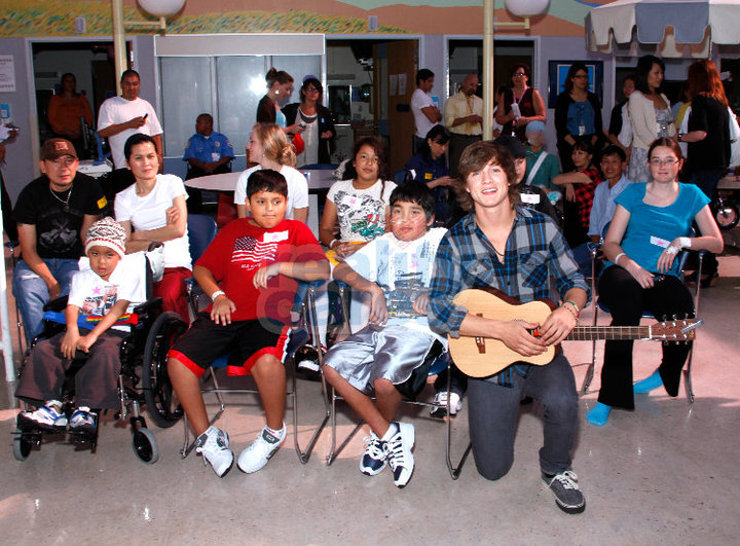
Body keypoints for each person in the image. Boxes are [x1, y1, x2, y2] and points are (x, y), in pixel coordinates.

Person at [428, 140, 589, 515]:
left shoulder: (542, 227)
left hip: (539, 349)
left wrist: (568, 308)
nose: (486, 180)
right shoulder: (456, 240)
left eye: (494, 170)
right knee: (492, 470)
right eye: (475, 173)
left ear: (511, 176)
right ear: (465, 186)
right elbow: (437, 309)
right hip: (488, 359)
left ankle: (557, 468)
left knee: (564, 401)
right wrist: (501, 330)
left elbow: (576, 281)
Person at [166, 169, 330, 477]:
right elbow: (201, 270)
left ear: (287, 202)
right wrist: (217, 296)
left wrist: (280, 265)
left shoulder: (295, 230)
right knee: (177, 361)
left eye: (277, 201)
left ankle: (273, 432)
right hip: (224, 312)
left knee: (267, 363)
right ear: (248, 204)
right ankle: (207, 437)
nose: (270, 208)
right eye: (261, 201)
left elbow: (322, 270)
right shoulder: (233, 230)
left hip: (269, 316)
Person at [587, 138, 723, 427]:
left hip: (662, 276)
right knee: (626, 308)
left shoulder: (692, 194)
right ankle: (608, 396)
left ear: (679, 164)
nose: (662, 166)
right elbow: (610, 243)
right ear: (648, 165)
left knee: (684, 316)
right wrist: (632, 267)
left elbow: (717, 243)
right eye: (656, 160)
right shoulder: (634, 193)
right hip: (623, 270)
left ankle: (665, 372)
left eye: (668, 160)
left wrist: (681, 242)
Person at [322, 183, 447, 488]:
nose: (404, 218)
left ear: (430, 219)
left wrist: (437, 291)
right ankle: (388, 433)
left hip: (422, 331)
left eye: (415, 212)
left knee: (384, 378)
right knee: (331, 364)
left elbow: (466, 274)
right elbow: (341, 271)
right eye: (398, 211)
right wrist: (372, 288)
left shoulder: (441, 239)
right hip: (380, 328)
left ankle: (382, 435)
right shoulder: (383, 243)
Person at [15, 217, 144, 434]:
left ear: (119, 255)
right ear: (87, 254)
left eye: (108, 254)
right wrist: (72, 331)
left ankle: (85, 409)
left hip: (114, 330)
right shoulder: (81, 277)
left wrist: (92, 336)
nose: (101, 262)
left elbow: (118, 309)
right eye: (95, 254)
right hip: (82, 327)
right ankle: (52, 406)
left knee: (103, 352)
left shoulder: (128, 276)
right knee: (45, 348)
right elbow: (73, 305)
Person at [12, 138, 107, 344]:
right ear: (43, 166)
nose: (63, 167)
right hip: (36, 263)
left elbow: (87, 237)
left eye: (68, 160)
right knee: (27, 289)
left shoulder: (90, 188)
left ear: (77, 163)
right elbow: (27, 250)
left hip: (72, 261)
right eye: (55, 162)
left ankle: (64, 349)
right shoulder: (30, 194)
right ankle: (40, 349)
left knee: (73, 294)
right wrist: (50, 282)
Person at [319, 136, 397, 334]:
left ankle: (356, 338)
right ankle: (318, 343)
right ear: (353, 162)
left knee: (360, 280)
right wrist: (336, 245)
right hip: (343, 250)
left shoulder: (388, 189)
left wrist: (362, 247)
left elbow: (390, 233)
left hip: (376, 250)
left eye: (376, 159)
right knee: (316, 276)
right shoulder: (338, 189)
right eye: (364, 157)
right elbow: (326, 230)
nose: (369, 163)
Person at [114, 134, 192, 323]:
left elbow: (178, 230)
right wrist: (160, 234)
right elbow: (124, 246)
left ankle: (177, 349)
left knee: (165, 301)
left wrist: (139, 235)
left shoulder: (171, 183)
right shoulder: (123, 198)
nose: (146, 163)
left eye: (151, 156)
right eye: (138, 158)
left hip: (173, 263)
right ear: (128, 163)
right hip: (140, 266)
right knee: (125, 304)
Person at [679, 59, 731, 287]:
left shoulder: (700, 101)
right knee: (705, 217)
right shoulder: (720, 103)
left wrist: (677, 138)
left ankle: (707, 268)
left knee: (701, 220)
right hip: (717, 164)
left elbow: (700, 134)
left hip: (702, 166)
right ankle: (707, 267)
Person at [234, 123, 309, 224]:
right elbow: (242, 224)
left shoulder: (296, 179)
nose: (248, 146)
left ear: (266, 146)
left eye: (252, 142)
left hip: (288, 237)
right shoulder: (245, 178)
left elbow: (299, 227)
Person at [97, 69, 163, 170]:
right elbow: (102, 132)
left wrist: (159, 157)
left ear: (139, 85)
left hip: (147, 166)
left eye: (134, 84)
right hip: (124, 166)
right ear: (121, 84)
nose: (131, 87)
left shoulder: (145, 105)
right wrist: (129, 124)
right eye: (127, 84)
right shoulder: (109, 105)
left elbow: (156, 134)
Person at [627, 55, 675, 184]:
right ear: (645, 73)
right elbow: (641, 130)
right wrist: (659, 150)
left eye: (661, 73)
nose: (660, 77)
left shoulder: (663, 97)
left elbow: (671, 126)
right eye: (656, 73)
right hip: (645, 154)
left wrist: (673, 148)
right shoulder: (637, 97)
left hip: (666, 154)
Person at [553, 140, 603, 249]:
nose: (576, 157)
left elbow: (556, 179)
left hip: (591, 224)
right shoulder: (577, 172)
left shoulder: (591, 173)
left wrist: (566, 181)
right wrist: (568, 183)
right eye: (574, 153)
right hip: (582, 222)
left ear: (590, 156)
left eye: (581, 153)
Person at [554, 63, 603, 173]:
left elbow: (598, 125)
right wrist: (577, 147)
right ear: (572, 78)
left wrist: (589, 147)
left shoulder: (593, 98)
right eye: (579, 77)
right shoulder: (563, 98)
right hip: (570, 144)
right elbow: (560, 126)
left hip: (590, 143)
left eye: (585, 77)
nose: (583, 80)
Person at [403, 125, 456, 225]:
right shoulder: (417, 161)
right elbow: (411, 190)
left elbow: (446, 179)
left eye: (446, 145)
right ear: (429, 141)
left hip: (435, 203)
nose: (443, 149)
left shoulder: (441, 160)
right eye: (440, 145)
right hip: (418, 204)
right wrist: (437, 182)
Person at [182, 113, 235, 214]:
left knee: (229, 183)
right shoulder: (193, 140)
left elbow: (228, 155)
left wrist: (216, 164)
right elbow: (190, 157)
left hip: (218, 167)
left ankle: (227, 213)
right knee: (190, 183)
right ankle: (196, 214)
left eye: (199, 122)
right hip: (199, 167)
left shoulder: (221, 138)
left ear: (208, 124)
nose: (196, 125)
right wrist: (203, 166)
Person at [282, 77, 336, 166]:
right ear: (304, 91)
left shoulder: (324, 112)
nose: (313, 92)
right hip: (295, 157)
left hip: (317, 157)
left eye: (316, 90)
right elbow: (275, 124)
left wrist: (329, 134)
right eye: (310, 89)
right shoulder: (291, 110)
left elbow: (332, 131)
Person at [588, 145, 632, 244]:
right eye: (606, 162)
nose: (609, 166)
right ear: (600, 165)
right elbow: (594, 221)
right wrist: (597, 246)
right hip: (599, 243)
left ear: (624, 165)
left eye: (614, 162)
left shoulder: (630, 189)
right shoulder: (600, 188)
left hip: (620, 245)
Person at [496, 64, 546, 144]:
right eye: (514, 75)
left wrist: (526, 120)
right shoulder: (506, 93)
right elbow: (498, 119)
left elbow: (543, 117)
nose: (517, 77)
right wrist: (508, 117)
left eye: (520, 74)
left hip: (528, 137)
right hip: (508, 136)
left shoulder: (533, 92)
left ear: (526, 77)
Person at [444, 73, 483, 176]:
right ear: (464, 83)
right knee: (457, 171)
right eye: (471, 84)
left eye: (475, 85)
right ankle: (455, 192)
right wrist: (466, 119)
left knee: (475, 169)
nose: (473, 88)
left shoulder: (480, 102)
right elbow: (448, 122)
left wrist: (479, 119)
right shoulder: (452, 101)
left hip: (475, 139)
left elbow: (487, 122)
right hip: (458, 140)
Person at [47, 73, 93, 157]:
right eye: (67, 81)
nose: (70, 83)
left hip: (80, 137)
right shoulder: (55, 99)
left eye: (72, 81)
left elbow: (89, 117)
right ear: (62, 84)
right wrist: (65, 131)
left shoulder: (81, 99)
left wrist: (82, 131)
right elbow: (52, 119)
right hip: (62, 137)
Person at [256, 68, 303, 136]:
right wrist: (289, 129)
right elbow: (267, 133)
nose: (288, 93)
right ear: (277, 85)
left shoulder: (272, 102)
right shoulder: (265, 104)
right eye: (287, 89)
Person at [523, 121, 561, 191]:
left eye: (539, 133)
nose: (536, 135)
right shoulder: (520, 155)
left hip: (543, 199)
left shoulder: (552, 159)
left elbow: (555, 189)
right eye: (532, 132)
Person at [411, 69, 441, 152]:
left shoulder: (426, 97)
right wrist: (434, 111)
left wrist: (435, 111)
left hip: (431, 137)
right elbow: (433, 119)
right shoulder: (419, 95)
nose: (432, 84)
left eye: (432, 81)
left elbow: (439, 117)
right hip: (424, 137)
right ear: (421, 81)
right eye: (429, 81)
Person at [606, 75, 636, 160]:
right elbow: (612, 134)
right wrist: (623, 149)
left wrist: (629, 149)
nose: (626, 89)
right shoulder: (618, 109)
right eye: (625, 86)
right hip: (617, 150)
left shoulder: (642, 110)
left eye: (630, 86)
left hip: (635, 152)